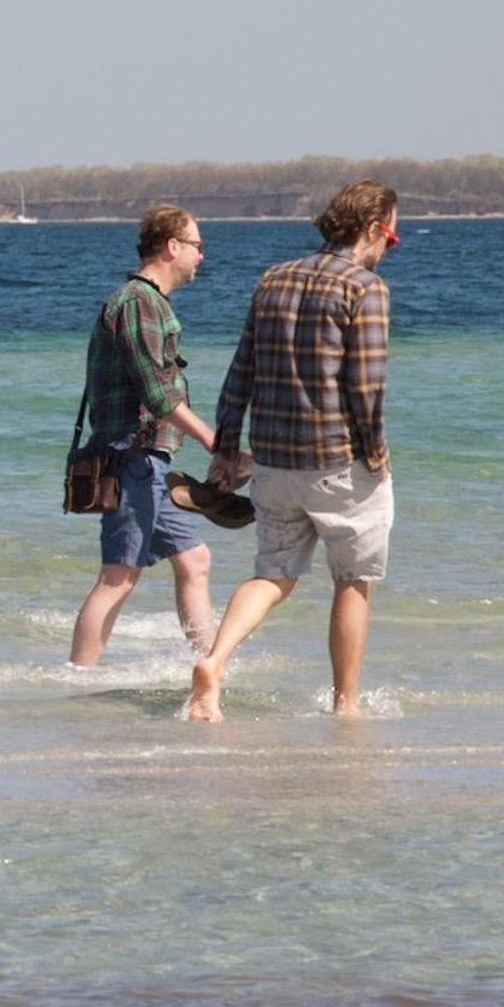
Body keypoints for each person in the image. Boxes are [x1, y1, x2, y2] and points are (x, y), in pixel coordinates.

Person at [186, 180, 399, 720]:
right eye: (392, 237)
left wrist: (226, 448)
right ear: (373, 229)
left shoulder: (272, 279)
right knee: (353, 581)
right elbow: (366, 387)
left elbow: (241, 371)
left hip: (273, 461)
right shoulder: (365, 288)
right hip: (338, 461)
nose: (389, 248)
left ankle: (215, 661)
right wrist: (375, 455)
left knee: (272, 573)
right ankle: (346, 705)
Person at [68, 202, 222, 665]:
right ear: (171, 246)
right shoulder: (139, 302)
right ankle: (79, 676)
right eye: (197, 245)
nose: (202, 256)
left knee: (195, 560)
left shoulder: (146, 302)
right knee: (118, 576)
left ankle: (208, 667)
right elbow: (158, 394)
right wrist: (215, 442)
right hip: (132, 459)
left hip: (147, 460)